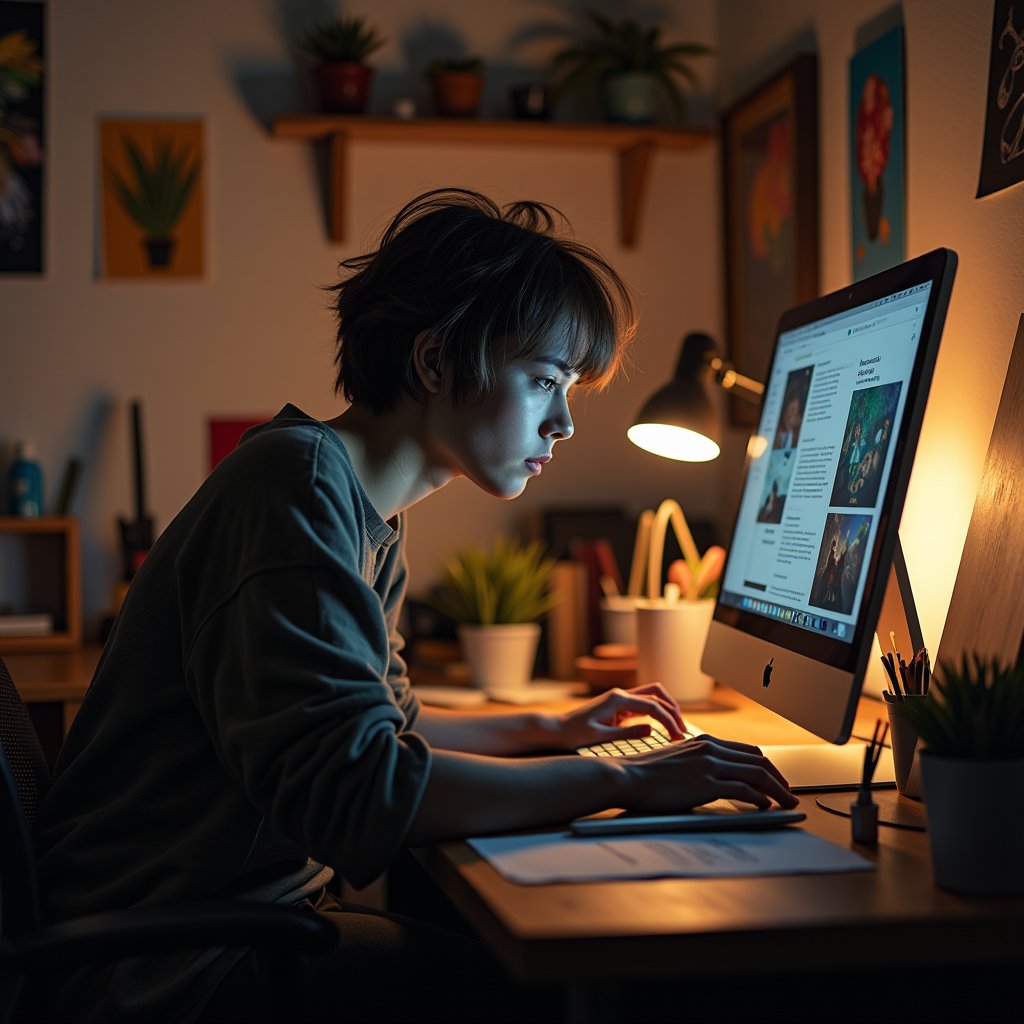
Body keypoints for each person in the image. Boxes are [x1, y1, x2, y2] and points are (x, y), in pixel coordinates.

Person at [31, 188, 796, 1024]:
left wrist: (556, 728)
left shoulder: (360, 509)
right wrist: (625, 783)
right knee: (582, 990)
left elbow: (383, 728)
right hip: (163, 968)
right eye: (544, 380)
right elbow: (364, 790)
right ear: (435, 363)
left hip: (229, 923)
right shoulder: (297, 488)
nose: (565, 422)